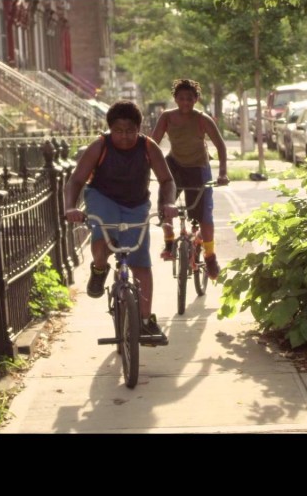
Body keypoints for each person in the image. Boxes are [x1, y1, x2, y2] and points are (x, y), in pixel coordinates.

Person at [64, 100, 179, 344]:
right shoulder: (100, 146)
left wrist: (167, 204)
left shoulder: (148, 147)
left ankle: (145, 321)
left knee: (140, 263)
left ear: (139, 129)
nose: (124, 136)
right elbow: (76, 180)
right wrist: (70, 207)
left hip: (136, 204)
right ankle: (99, 267)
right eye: (118, 131)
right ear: (110, 129)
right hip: (102, 197)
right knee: (106, 237)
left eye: (130, 131)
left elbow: (167, 180)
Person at [150, 79, 229, 280]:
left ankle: (210, 257)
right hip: (175, 165)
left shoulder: (202, 119)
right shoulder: (167, 117)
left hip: (198, 168)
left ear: (196, 99)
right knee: (165, 205)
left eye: (190, 99)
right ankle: (169, 242)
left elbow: (220, 146)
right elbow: (152, 144)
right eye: (181, 98)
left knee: (204, 216)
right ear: (175, 99)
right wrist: (145, 168)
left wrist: (222, 173)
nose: (185, 102)